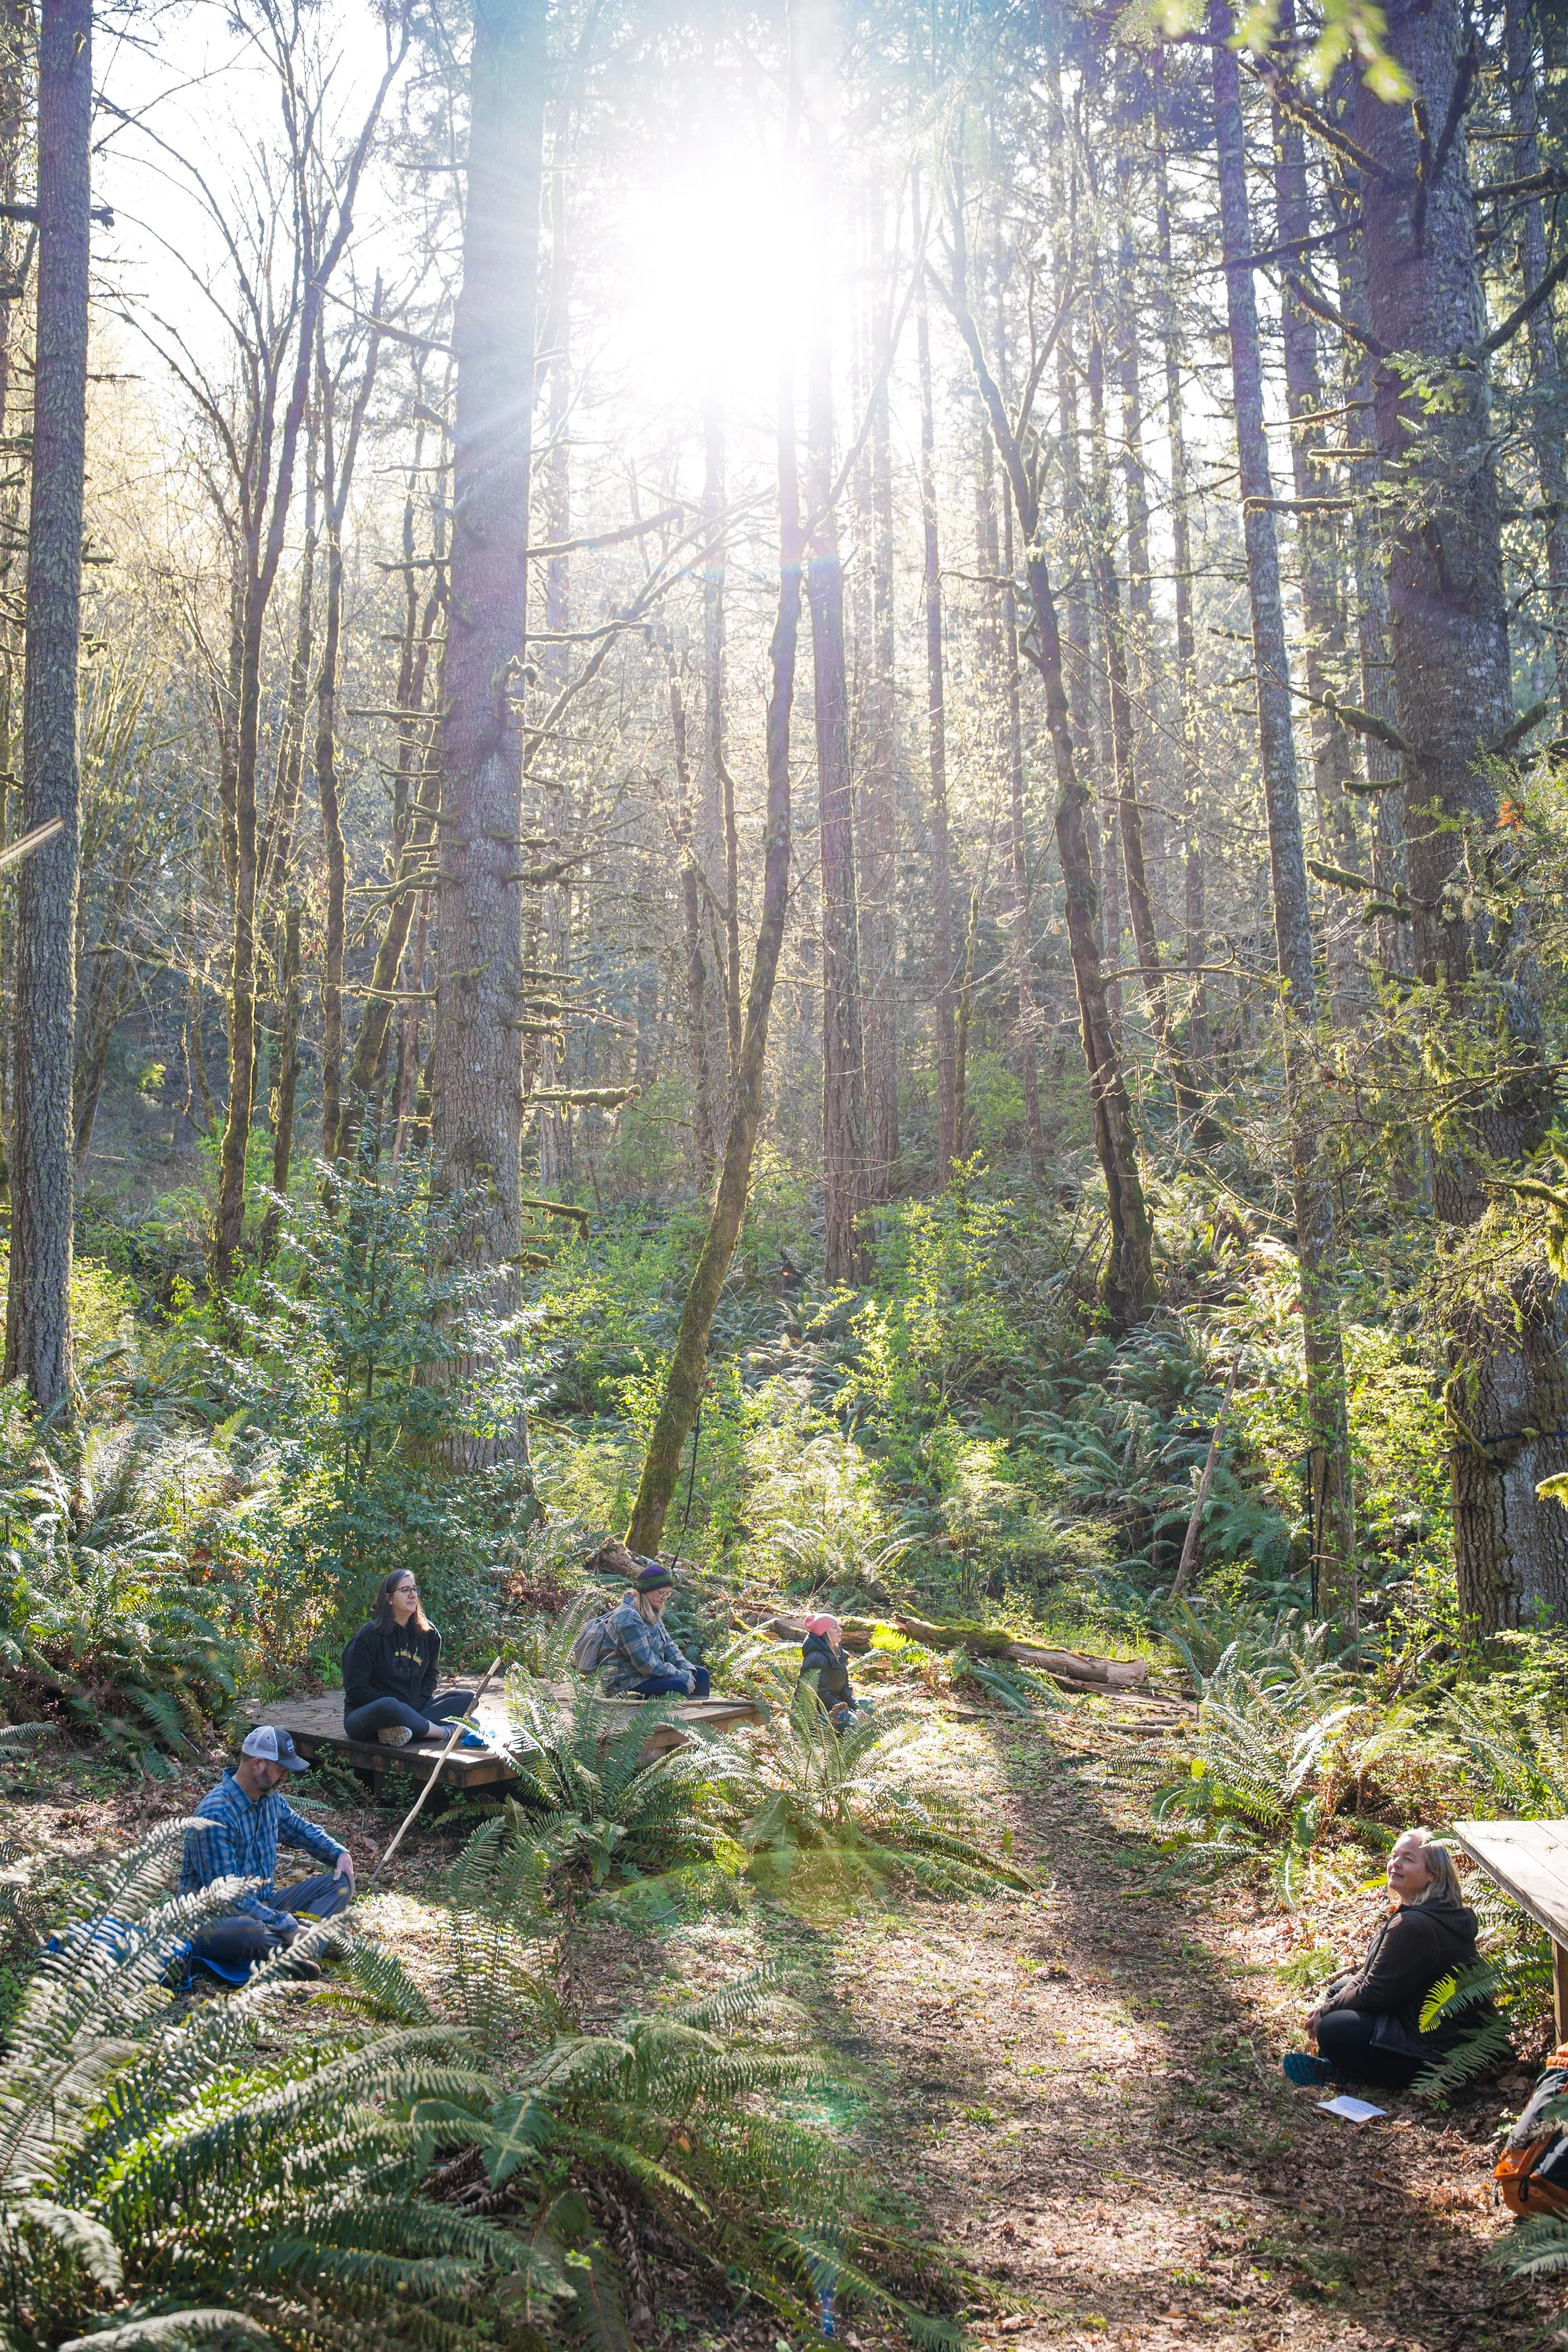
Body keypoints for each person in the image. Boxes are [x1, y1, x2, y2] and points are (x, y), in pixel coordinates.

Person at [1281, 1828, 1484, 2092]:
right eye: (1394, 1855)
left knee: (1333, 2029)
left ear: (1433, 1874)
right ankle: (1345, 2062)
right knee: (1337, 1990)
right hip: (1418, 2014)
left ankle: (1353, 2069)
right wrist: (1331, 2004)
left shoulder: (1416, 1925)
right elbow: (1370, 1972)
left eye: (1408, 1859)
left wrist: (1325, 2012)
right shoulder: (1429, 1911)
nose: (1395, 1864)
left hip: (1436, 2047)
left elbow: (1375, 1992)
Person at [179, 1724, 354, 1979]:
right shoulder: (215, 1814)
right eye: (281, 1770)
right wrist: (286, 1923)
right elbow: (229, 1899)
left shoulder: (269, 1798)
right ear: (258, 1765)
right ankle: (308, 1943)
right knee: (248, 1931)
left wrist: (338, 1852)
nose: (285, 1778)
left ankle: (294, 1947)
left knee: (339, 1885)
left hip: (264, 1906)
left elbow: (298, 1828)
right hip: (215, 1921)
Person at [340, 1570, 480, 1747]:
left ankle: (405, 1730)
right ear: (389, 1599)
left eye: (415, 1589)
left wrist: (417, 1703)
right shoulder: (369, 1635)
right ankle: (444, 1732)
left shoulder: (429, 1634)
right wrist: (401, 1707)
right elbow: (356, 1690)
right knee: (389, 1706)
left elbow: (431, 1676)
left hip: (416, 1708)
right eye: (405, 1590)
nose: (413, 1595)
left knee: (468, 1698)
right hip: (368, 1714)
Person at [599, 1562, 710, 1698]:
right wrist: (680, 1674)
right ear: (646, 1590)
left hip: (645, 1677)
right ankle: (676, 1717)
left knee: (701, 1676)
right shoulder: (629, 1617)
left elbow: (669, 1647)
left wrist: (686, 1668)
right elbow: (646, 1665)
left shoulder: (652, 1611)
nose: (664, 1598)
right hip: (625, 1683)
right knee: (678, 1686)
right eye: (661, 1593)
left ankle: (695, 1715)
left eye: (667, 1594)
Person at [798, 1613, 860, 1728]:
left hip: (834, 1706)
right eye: (835, 1627)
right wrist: (849, 1710)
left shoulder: (838, 1654)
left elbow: (845, 1688)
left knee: (868, 1705)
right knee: (853, 1720)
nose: (840, 1630)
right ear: (824, 1632)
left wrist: (857, 1709)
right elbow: (821, 1696)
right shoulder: (816, 1658)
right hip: (814, 1716)